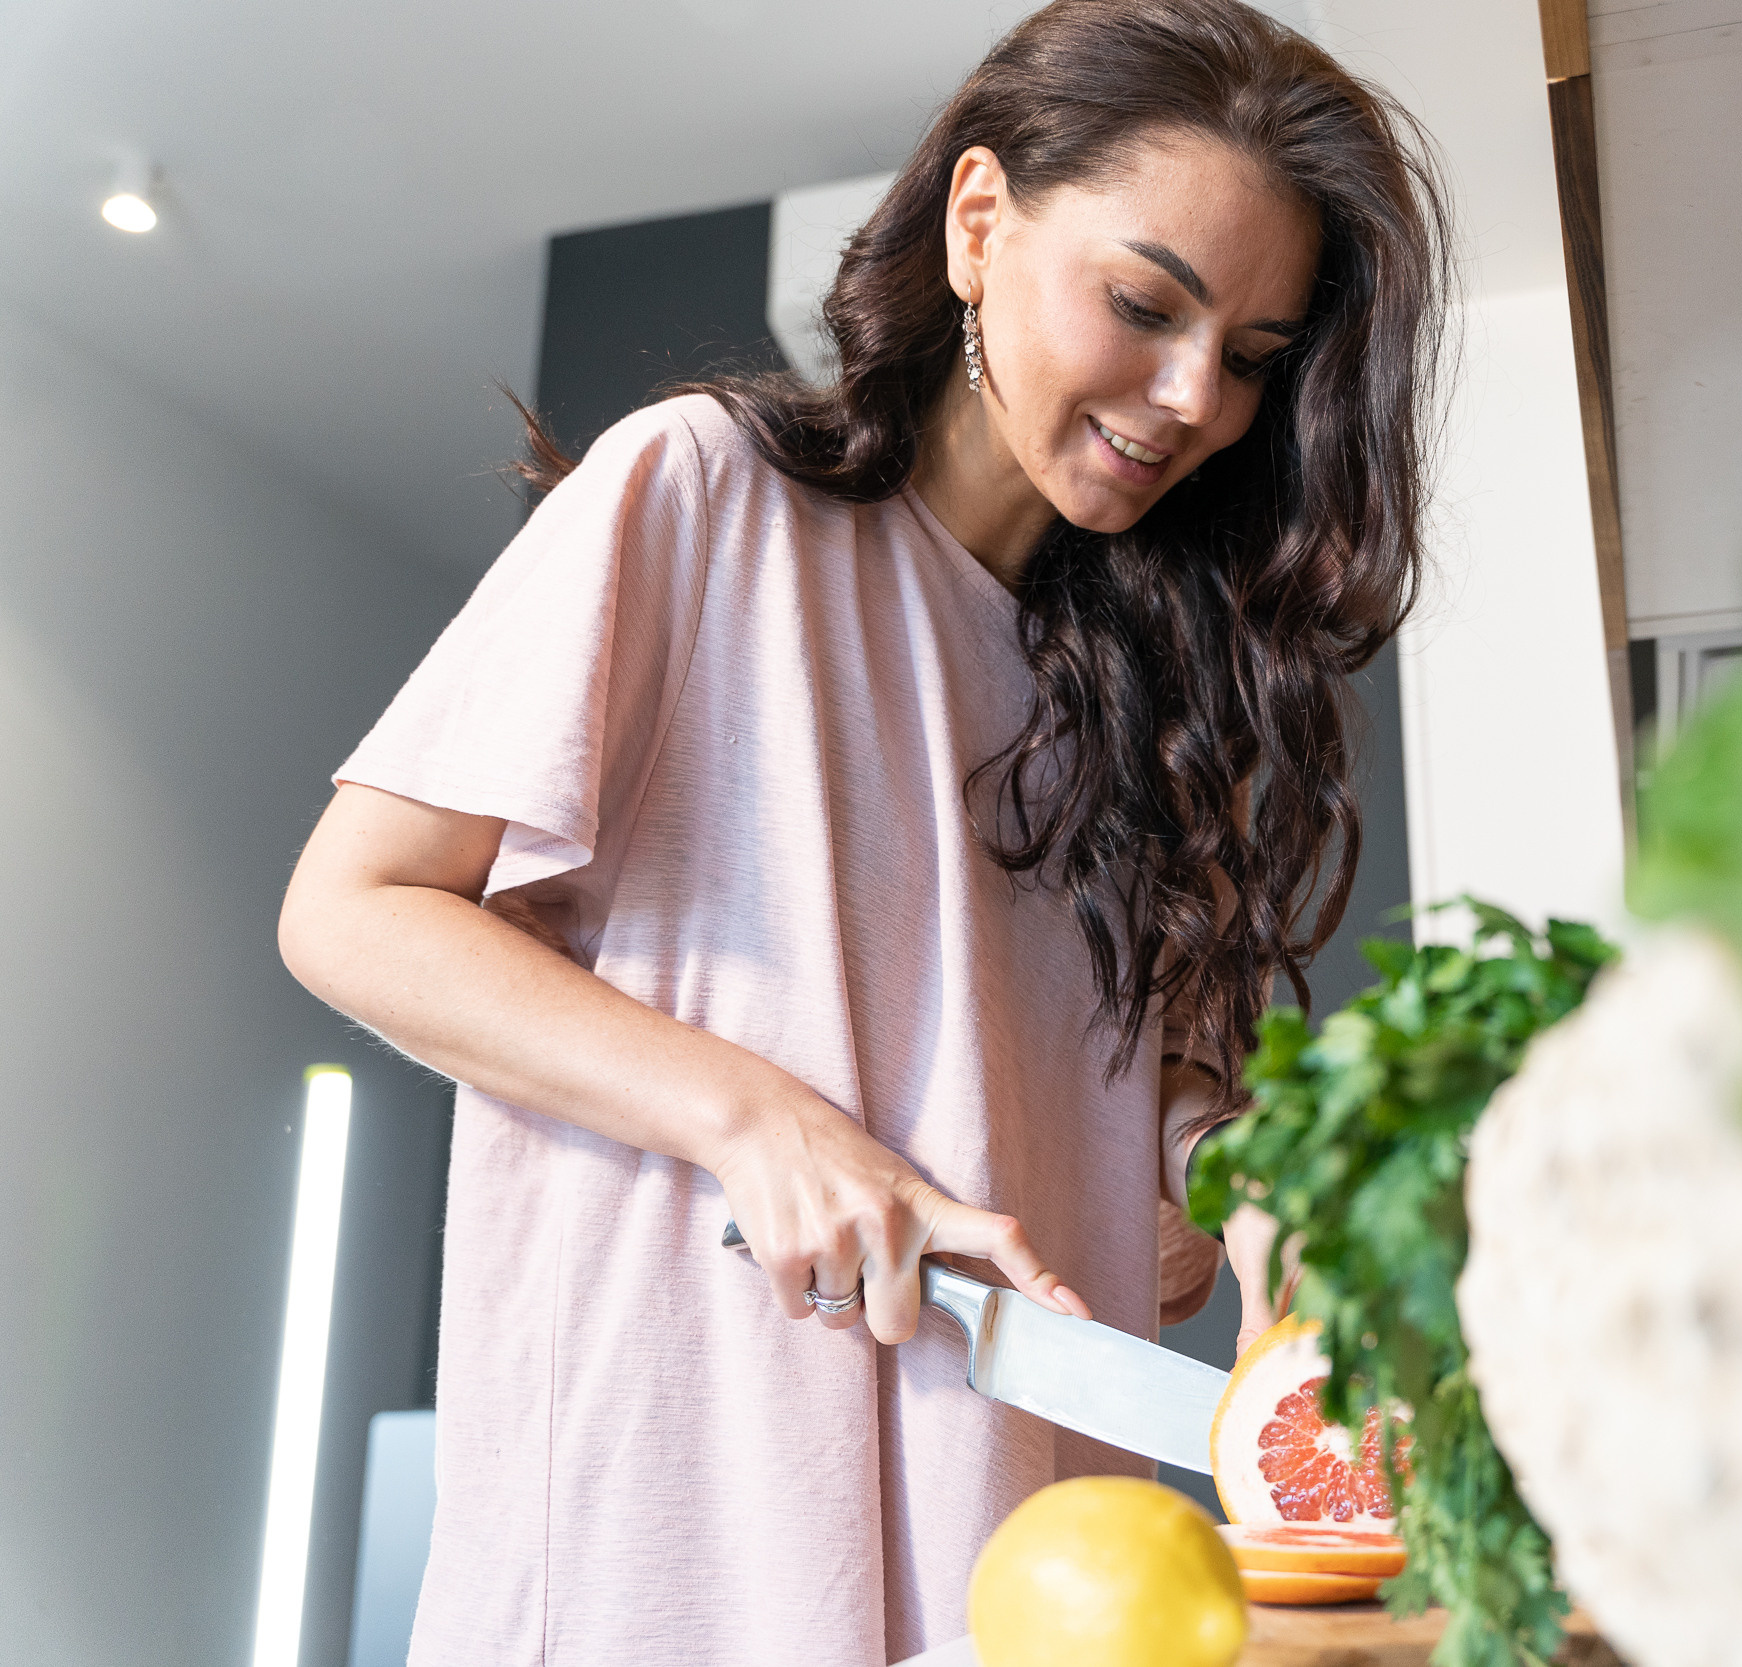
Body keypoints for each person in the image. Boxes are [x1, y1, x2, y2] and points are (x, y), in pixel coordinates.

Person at [277, 1, 1448, 1660]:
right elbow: (354, 907)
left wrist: (1280, 1214)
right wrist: (763, 1121)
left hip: (1033, 1548)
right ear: (981, 222)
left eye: (1254, 359)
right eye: (1144, 304)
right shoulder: (699, 499)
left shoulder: (1169, 710)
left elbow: (1176, 1129)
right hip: (676, 1515)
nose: (1197, 398)